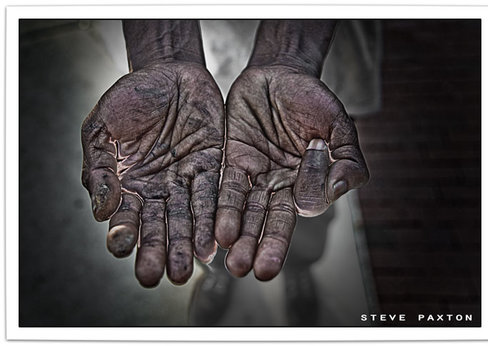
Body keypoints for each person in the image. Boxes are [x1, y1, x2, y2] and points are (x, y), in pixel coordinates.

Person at [81, 19, 369, 287]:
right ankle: (219, 274)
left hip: (302, 58)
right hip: (173, 44)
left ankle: (300, 267)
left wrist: (288, 56)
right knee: (194, 210)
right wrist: (164, 55)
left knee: (301, 174)